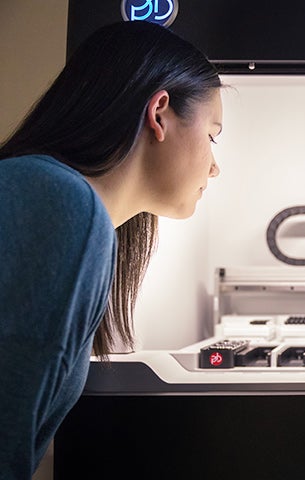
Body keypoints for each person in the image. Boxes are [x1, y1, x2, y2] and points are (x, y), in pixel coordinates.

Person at [0, 20, 222, 478]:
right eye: (213, 135)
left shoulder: (62, 201)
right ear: (160, 112)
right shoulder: (59, 202)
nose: (215, 166)